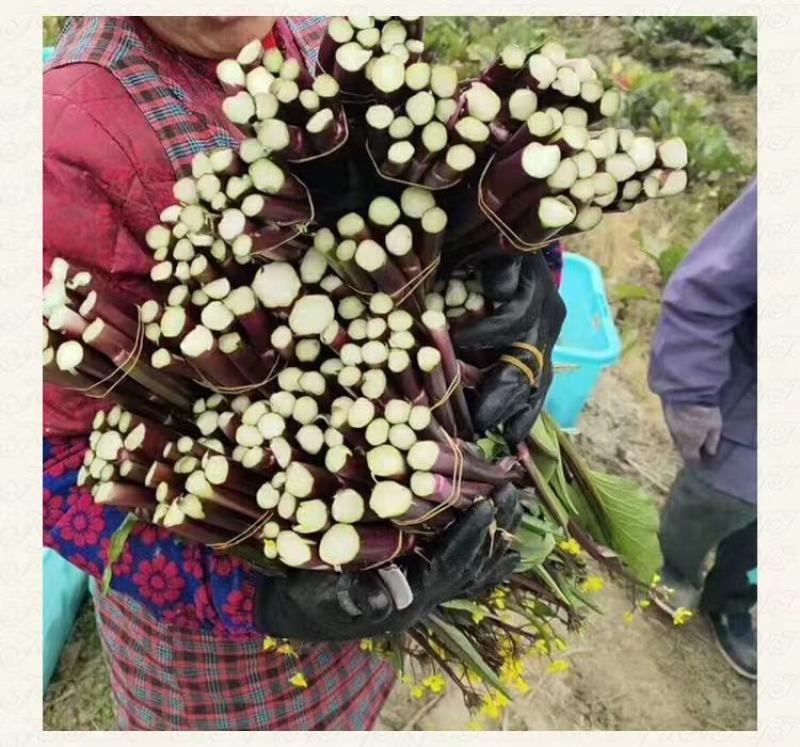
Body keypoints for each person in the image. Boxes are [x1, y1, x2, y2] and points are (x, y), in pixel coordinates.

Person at [43, 16, 564, 729]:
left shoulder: (344, 30)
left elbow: (467, 196)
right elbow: (50, 462)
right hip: (223, 630)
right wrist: (249, 596)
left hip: (388, 523)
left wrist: (530, 273)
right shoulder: (62, 135)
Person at [649, 180, 757, 680]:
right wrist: (691, 392)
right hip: (751, 409)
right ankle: (675, 569)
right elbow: (706, 289)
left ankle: (733, 598)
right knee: (713, 499)